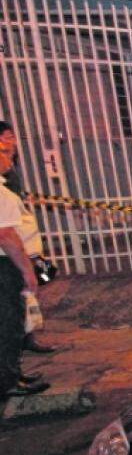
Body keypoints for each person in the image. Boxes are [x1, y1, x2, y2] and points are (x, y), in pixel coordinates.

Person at [0, 133, 50, 400]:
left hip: (13, 262)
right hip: (7, 266)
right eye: (6, 154)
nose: (11, 159)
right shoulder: (1, 193)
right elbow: (6, 236)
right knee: (9, 325)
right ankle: (8, 382)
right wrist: (28, 272)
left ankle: (12, 373)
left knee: (11, 323)